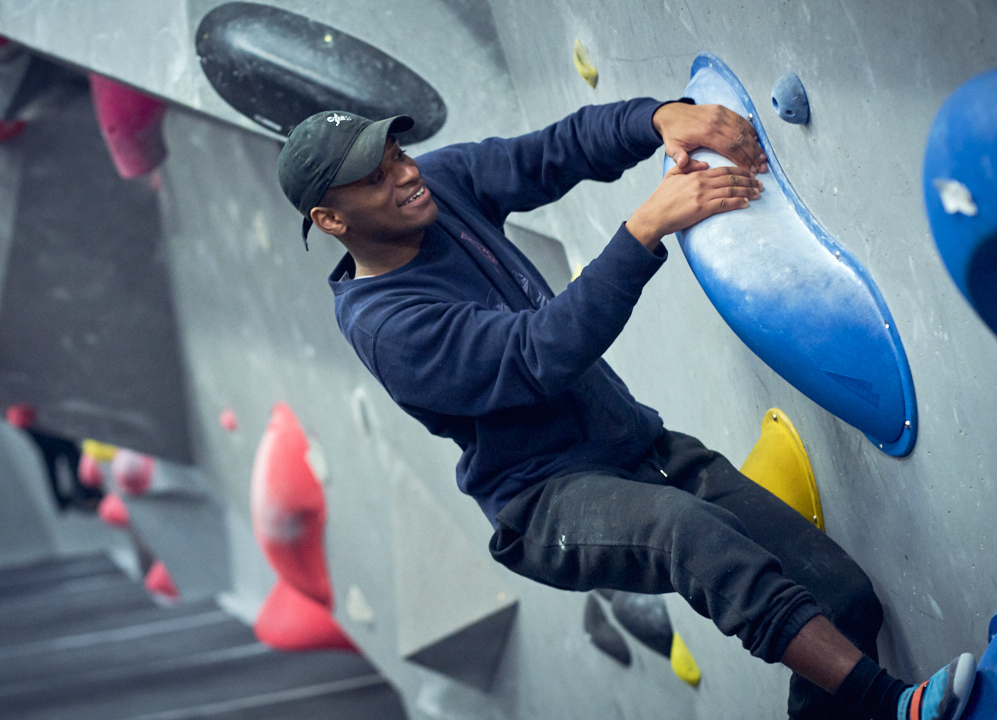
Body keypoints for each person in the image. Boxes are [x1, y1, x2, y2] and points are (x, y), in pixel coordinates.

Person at [276, 99, 976, 720]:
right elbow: (539, 353)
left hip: (636, 446)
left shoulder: (441, 188)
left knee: (841, 595)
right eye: (376, 177)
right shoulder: (389, 326)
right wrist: (645, 228)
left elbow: (549, 151)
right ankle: (894, 707)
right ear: (332, 219)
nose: (404, 174)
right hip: (545, 501)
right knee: (687, 534)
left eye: (397, 154)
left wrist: (657, 118)